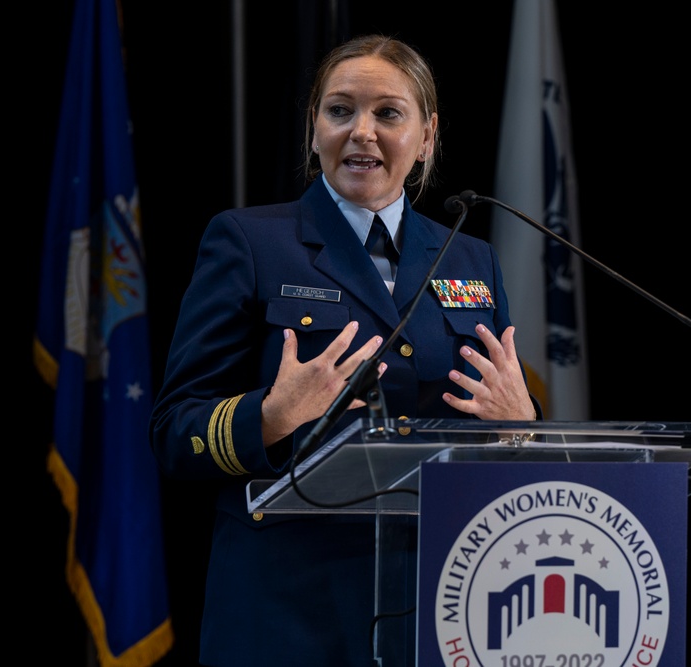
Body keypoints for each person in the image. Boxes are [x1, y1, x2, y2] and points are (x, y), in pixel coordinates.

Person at [149, 34, 540, 667]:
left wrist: (524, 431)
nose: (361, 132)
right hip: (289, 612)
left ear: (427, 136)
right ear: (314, 128)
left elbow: (498, 431)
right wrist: (271, 416)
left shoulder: (471, 257)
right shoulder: (250, 242)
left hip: (442, 602)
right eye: (339, 111)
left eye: (387, 113)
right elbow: (174, 430)